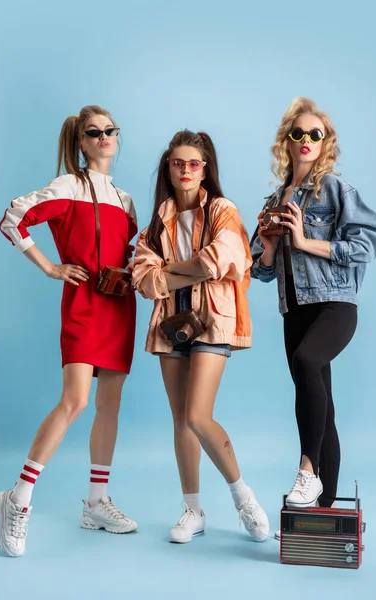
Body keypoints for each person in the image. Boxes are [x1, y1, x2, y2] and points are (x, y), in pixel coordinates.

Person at [0, 105, 138, 557]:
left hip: (120, 306)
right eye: (93, 132)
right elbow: (12, 218)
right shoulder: (66, 186)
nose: (103, 138)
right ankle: (17, 499)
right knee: (74, 401)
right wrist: (49, 267)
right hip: (83, 303)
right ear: (80, 141)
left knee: (109, 406)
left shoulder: (126, 198)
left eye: (110, 130)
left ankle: (96, 502)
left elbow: (128, 251)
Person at [250, 97, 376, 518]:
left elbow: (371, 241)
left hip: (335, 304)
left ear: (325, 143)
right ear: (286, 143)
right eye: (299, 134)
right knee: (319, 402)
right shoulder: (276, 197)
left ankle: (307, 470)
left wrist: (307, 240)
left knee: (309, 363)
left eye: (316, 134)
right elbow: (262, 270)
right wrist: (271, 245)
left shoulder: (335, 189)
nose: (307, 140)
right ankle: (320, 509)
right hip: (294, 309)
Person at [132, 130, 269, 544]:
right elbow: (142, 277)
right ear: (168, 170)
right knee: (180, 420)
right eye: (178, 163)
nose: (186, 170)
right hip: (170, 324)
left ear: (206, 169)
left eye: (194, 163)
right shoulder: (159, 221)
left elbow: (221, 259)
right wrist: (179, 271)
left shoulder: (223, 210)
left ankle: (243, 497)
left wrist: (170, 271)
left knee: (197, 415)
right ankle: (193, 510)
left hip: (212, 320)